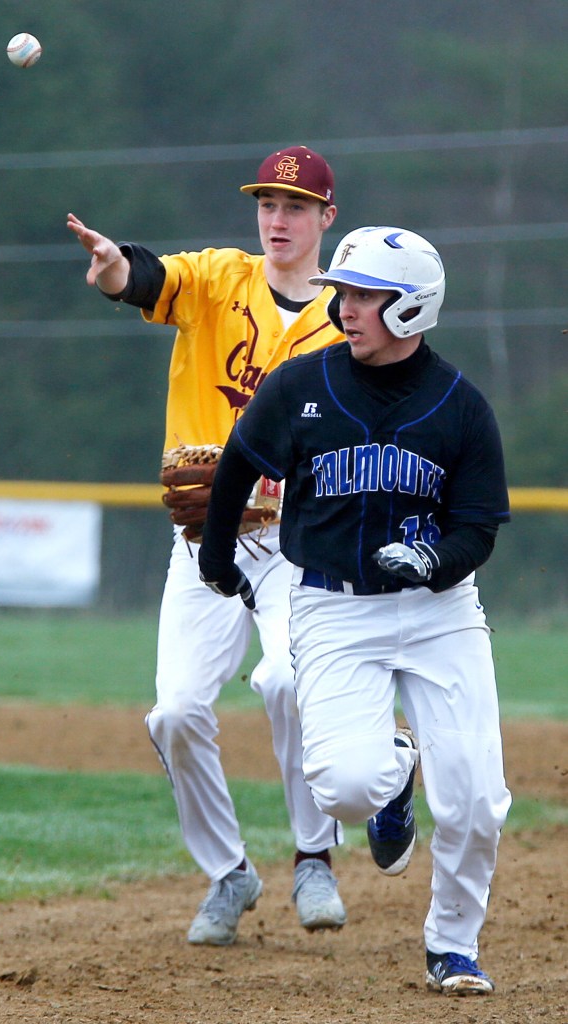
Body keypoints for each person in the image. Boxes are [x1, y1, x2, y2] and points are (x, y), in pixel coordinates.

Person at [198, 224, 513, 994]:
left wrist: (435, 558)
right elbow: (240, 459)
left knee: (475, 800)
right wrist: (215, 552)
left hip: (440, 613)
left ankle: (451, 947)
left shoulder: (460, 406)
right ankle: (395, 771)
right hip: (334, 610)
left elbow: (476, 526)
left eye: (367, 295)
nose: (347, 307)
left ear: (412, 309)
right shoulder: (302, 385)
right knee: (342, 788)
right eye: (342, 292)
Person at [67, 146, 353, 945]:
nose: (277, 219)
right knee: (175, 713)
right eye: (267, 203)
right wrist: (115, 265)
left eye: (295, 207)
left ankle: (313, 859)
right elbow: (151, 280)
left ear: (326, 219)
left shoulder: (345, 318)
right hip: (203, 540)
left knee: (289, 681)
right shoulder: (222, 278)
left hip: (299, 542)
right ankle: (228, 873)